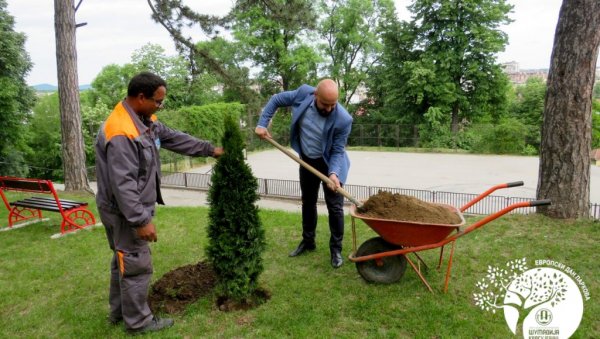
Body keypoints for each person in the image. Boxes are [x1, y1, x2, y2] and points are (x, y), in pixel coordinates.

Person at [95, 72, 223, 334]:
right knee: (135, 262)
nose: (160, 106)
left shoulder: (143, 118)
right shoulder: (122, 132)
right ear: (141, 97)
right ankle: (139, 322)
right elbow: (124, 185)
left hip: (122, 209)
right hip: (124, 212)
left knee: (122, 257)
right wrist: (141, 220)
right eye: (158, 101)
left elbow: (174, 138)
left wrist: (209, 149)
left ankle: (119, 312)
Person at [254, 79, 353, 269]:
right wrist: (262, 123)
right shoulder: (303, 94)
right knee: (308, 201)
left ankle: (336, 250)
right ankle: (308, 242)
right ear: (315, 95)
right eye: (326, 104)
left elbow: (338, 151)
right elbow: (276, 99)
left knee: (335, 208)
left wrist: (333, 174)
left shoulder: (343, 119)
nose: (330, 109)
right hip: (307, 160)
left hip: (329, 163)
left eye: (334, 104)